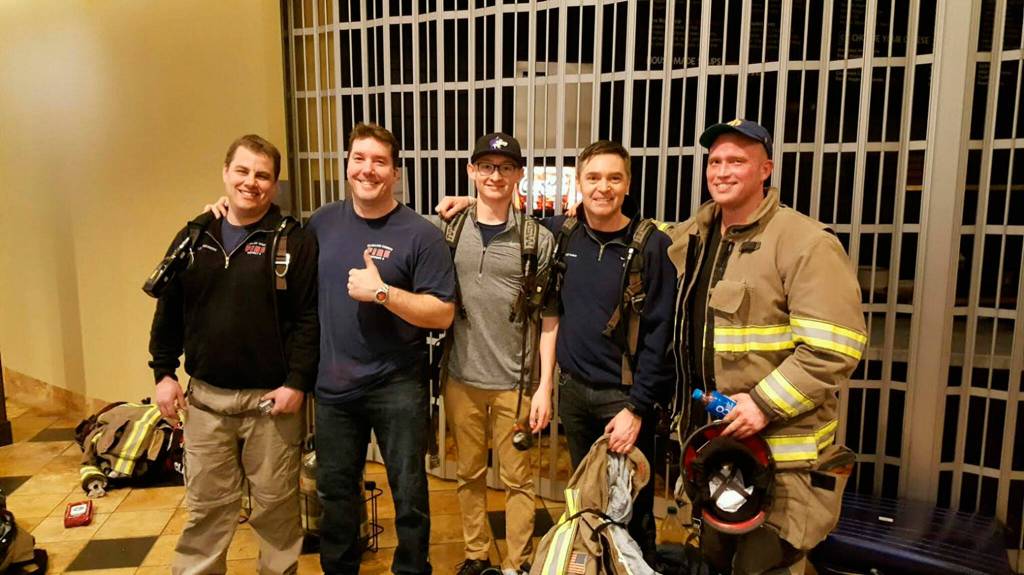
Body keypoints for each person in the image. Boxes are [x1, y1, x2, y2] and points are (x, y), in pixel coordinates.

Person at [210, 123, 455, 574]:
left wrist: (384, 294)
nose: (368, 169)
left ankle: (412, 570)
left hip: (397, 387)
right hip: (334, 388)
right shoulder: (321, 223)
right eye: (359, 158)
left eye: (380, 161)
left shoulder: (421, 235)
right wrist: (222, 215)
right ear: (347, 164)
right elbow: (266, 242)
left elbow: (441, 313)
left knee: (409, 492)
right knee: (335, 494)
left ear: (395, 173)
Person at [437, 140, 677, 563]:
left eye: (614, 177)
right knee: (581, 498)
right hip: (572, 391)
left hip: (622, 398)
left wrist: (638, 407)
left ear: (628, 183)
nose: (603, 187)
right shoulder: (560, 233)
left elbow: (659, 333)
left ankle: (627, 566)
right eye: (594, 177)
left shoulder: (649, 246)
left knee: (631, 502)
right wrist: (469, 200)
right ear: (579, 183)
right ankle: (585, 563)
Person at [669, 119, 866, 574]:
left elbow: (835, 348)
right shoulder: (697, 236)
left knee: (765, 567)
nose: (722, 171)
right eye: (715, 161)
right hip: (716, 449)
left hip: (780, 460)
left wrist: (761, 404)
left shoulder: (805, 243)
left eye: (737, 161)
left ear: (765, 170)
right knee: (716, 561)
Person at [149, 134, 319, 575]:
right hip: (206, 402)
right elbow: (169, 309)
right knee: (207, 509)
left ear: (276, 186)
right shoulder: (193, 236)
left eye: (263, 175)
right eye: (242, 171)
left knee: (277, 510)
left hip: (272, 404)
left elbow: (308, 319)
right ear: (225, 174)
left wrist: (297, 382)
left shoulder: (293, 242)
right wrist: (163, 373)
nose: (251, 182)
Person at [438, 133, 557, 575]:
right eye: (486, 166)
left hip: (516, 382)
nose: (495, 175)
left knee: (518, 480)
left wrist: (544, 385)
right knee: (467, 473)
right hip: (461, 376)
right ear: (471, 172)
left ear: (519, 175)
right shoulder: (447, 230)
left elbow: (549, 318)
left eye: (505, 167)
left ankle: (517, 563)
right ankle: (474, 555)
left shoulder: (536, 239)